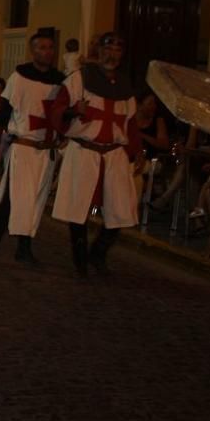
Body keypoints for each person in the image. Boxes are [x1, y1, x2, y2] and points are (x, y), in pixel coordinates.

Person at [48, 32, 140, 277]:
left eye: (118, 50)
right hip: (84, 151)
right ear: (98, 51)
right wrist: (71, 111)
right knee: (77, 208)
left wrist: (135, 152)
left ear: (122, 55)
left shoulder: (126, 87)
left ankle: (97, 254)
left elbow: (130, 124)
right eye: (108, 49)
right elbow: (57, 111)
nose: (112, 54)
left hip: (114, 155)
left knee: (121, 211)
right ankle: (80, 262)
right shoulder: (78, 80)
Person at [0, 32, 65, 265]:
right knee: (11, 199)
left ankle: (24, 249)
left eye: (50, 48)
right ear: (32, 51)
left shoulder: (60, 81)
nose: (47, 52)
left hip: (46, 151)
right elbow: (4, 115)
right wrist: (1, 144)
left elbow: (64, 114)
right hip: (23, 149)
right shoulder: (19, 77)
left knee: (35, 200)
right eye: (42, 47)